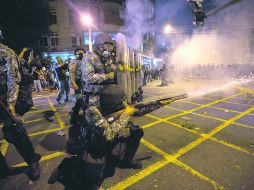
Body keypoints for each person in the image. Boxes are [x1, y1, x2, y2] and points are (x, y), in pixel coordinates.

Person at [48, 84, 143, 189]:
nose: (125, 105)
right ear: (112, 103)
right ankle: (62, 168)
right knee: (89, 169)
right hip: (90, 147)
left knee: (135, 133)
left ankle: (119, 165)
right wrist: (126, 114)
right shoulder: (92, 110)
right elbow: (108, 134)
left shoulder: (104, 104)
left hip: (100, 142)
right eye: (122, 102)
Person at [0, 26, 41, 180]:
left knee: (15, 133)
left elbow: (13, 79)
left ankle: (32, 162)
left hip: (5, 101)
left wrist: (11, 106)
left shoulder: (5, 53)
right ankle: (2, 168)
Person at [80, 33, 116, 108]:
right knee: (97, 119)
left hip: (105, 93)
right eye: (107, 46)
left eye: (110, 47)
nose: (108, 49)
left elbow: (111, 68)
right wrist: (106, 76)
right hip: (92, 96)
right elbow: (88, 77)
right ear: (98, 46)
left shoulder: (104, 58)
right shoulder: (88, 57)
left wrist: (118, 68)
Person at [69, 47, 86, 125]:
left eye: (81, 52)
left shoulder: (86, 61)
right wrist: (73, 83)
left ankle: (86, 118)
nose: (80, 54)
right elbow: (71, 73)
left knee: (86, 101)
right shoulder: (74, 62)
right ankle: (73, 119)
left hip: (86, 84)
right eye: (78, 53)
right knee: (79, 101)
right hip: (78, 84)